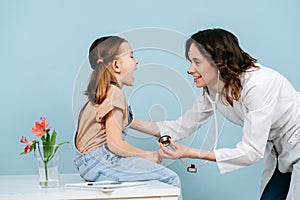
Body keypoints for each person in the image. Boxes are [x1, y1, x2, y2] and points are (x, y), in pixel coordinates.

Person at [131, 28, 300, 200]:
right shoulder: (215, 89)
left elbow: (250, 151)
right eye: (190, 62)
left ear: (218, 62)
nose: (190, 69)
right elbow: (180, 127)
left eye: (197, 62)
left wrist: (190, 152)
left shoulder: (259, 85)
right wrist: (129, 121)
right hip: (280, 151)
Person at [71, 36, 182, 199]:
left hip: (89, 164)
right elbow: (116, 145)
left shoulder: (104, 94)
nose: (136, 61)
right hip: (102, 162)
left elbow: (133, 123)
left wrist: (164, 131)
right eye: (131, 56)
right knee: (170, 180)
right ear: (116, 65)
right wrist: (148, 155)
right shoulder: (114, 93)